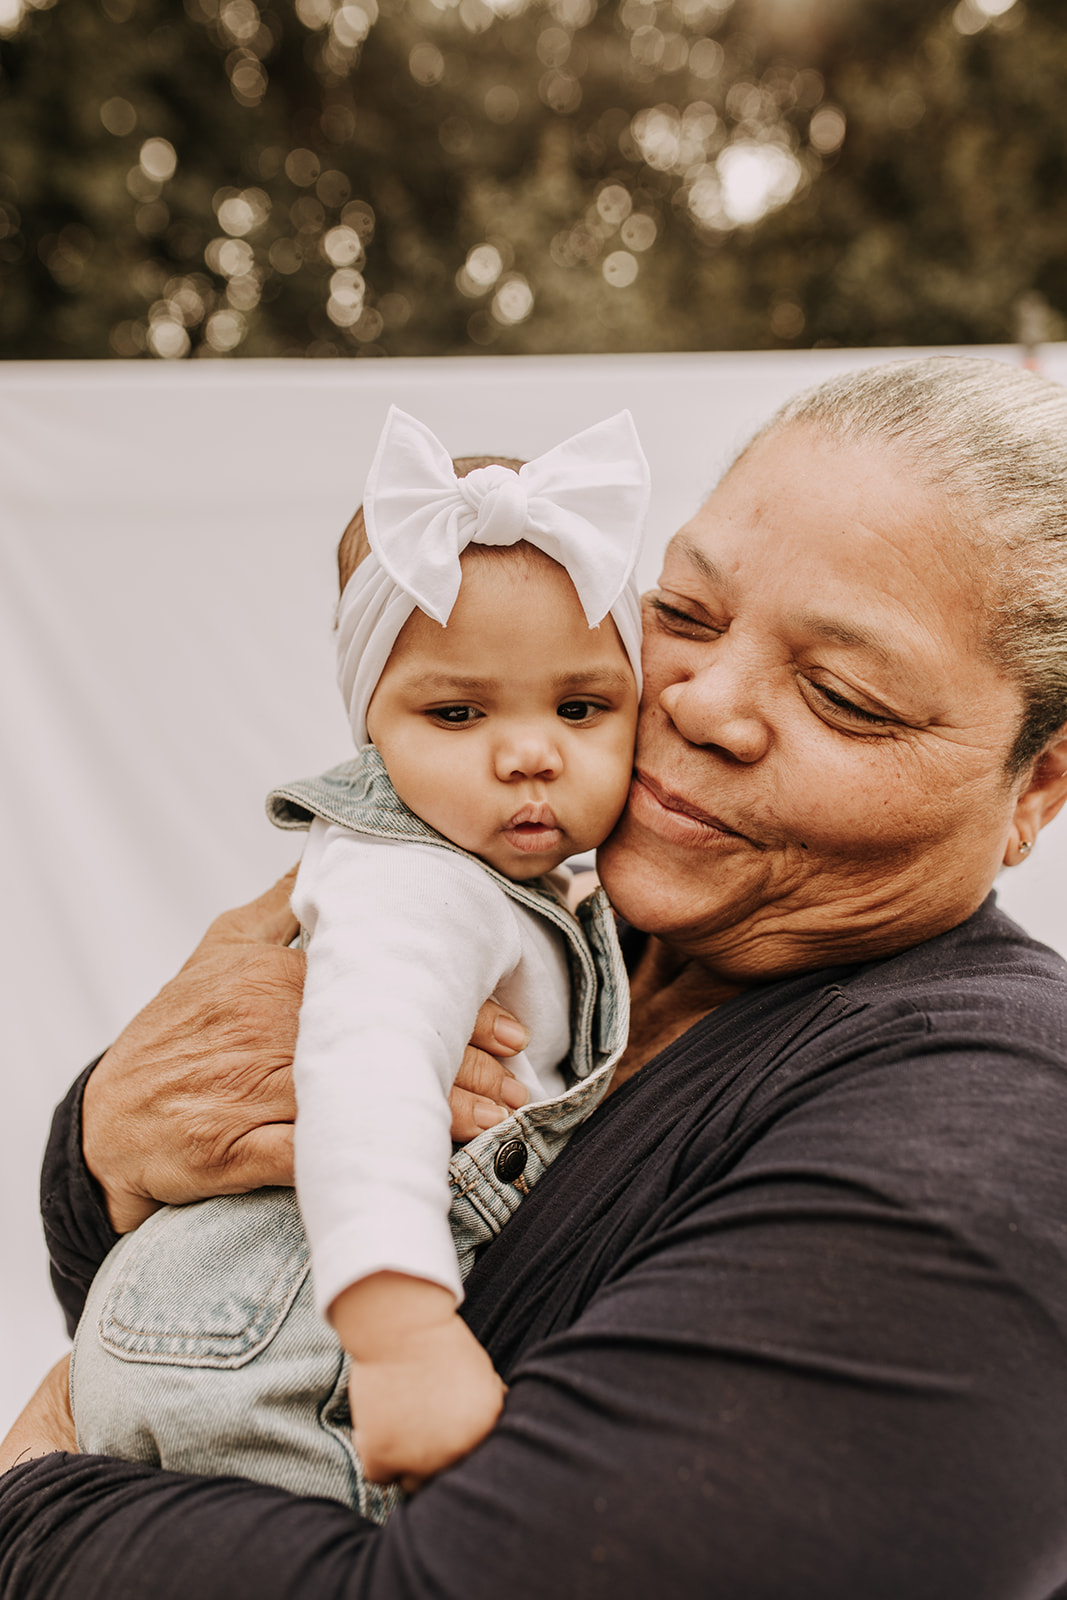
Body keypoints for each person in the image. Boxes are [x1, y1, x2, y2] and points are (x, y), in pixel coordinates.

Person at [5, 354, 1067, 1600]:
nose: (700, 701)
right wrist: (102, 1138)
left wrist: (36, 1501)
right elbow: (197, 1255)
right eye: (682, 611)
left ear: (1036, 784)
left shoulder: (999, 1131)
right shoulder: (560, 920)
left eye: (842, 695)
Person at [69, 406, 647, 1510]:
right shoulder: (415, 881)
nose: (528, 753)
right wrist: (401, 1329)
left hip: (226, 1326)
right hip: (279, 1343)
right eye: (456, 710)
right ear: (369, 725)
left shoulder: (523, 882)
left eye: (580, 706)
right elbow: (366, 1079)